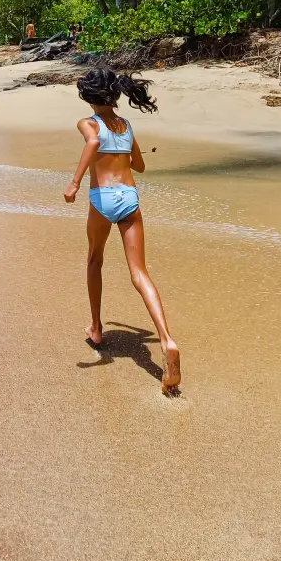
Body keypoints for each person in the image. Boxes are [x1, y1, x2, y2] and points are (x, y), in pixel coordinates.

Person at [63, 68, 181, 394]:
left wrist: (74, 182)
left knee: (94, 261)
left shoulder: (88, 123)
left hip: (102, 198)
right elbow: (139, 166)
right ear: (115, 95)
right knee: (139, 273)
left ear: (88, 97)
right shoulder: (126, 125)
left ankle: (97, 329)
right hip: (129, 198)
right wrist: (127, 154)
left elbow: (93, 142)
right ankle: (167, 340)